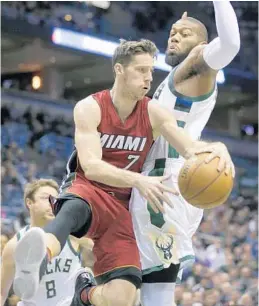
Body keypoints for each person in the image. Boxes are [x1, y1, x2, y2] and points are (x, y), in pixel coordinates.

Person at [13, 39, 233, 306]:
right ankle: (38, 259)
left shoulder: (154, 111)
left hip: (123, 207)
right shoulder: (89, 107)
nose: (148, 78)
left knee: (122, 297)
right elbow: (92, 167)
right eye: (141, 70)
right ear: (119, 69)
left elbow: (188, 148)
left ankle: (84, 295)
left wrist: (216, 148)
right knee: (72, 211)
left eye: (151, 71)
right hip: (88, 188)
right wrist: (137, 179)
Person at [129, 1, 240, 305]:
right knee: (142, 284)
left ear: (201, 46)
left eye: (185, 33)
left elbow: (230, 44)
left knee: (155, 288)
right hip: (170, 184)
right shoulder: (173, 79)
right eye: (173, 32)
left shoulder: (195, 67)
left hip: (163, 185)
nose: (174, 36)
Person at [1, 179, 94, 306]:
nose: (52, 203)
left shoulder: (73, 235)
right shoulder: (15, 245)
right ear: (29, 203)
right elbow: (2, 293)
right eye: (45, 198)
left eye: (56, 199)